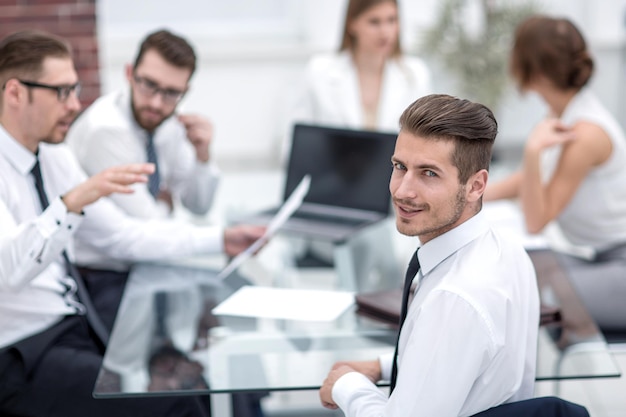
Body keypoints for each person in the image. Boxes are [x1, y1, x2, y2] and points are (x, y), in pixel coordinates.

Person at [0, 30, 265, 417]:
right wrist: (70, 203)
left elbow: (123, 235)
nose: (75, 105)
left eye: (75, 90)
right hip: (23, 352)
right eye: (62, 93)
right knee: (172, 400)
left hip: (74, 324)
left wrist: (221, 239)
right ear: (15, 93)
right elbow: (10, 269)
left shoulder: (53, 157)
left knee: (198, 381)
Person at [319, 94, 540, 416]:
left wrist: (347, 386)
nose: (402, 190)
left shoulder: (453, 298)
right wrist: (384, 365)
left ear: (476, 186)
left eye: (429, 174)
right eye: (400, 167)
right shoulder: (507, 251)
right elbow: (472, 356)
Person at [484, 15, 626, 331]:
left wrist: (532, 152)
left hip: (619, 264)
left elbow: (536, 222)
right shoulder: (567, 112)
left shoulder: (586, 134)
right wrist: (473, 195)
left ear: (531, 73)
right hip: (595, 258)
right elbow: (532, 179)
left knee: (521, 291)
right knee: (505, 269)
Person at [66, 29, 219, 271]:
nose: (156, 103)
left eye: (171, 93)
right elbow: (148, 226)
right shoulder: (104, 130)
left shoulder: (168, 124)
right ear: (129, 74)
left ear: (185, 91)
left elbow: (198, 206)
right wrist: (166, 205)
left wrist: (203, 156)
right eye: (149, 85)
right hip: (100, 272)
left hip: (144, 266)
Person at [291, 0, 431, 132]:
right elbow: (295, 139)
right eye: (374, 22)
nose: (385, 32)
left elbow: (427, 138)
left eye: (391, 20)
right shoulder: (318, 72)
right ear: (352, 23)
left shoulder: (415, 74)